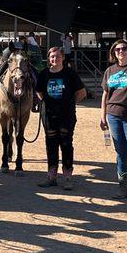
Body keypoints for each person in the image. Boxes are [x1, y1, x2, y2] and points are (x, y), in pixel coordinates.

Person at [36, 47, 86, 190]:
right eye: (52, 57)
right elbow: (39, 92)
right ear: (49, 58)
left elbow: (81, 92)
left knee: (66, 144)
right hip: (49, 116)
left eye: (57, 56)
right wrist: (48, 103)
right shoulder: (44, 74)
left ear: (63, 58)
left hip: (67, 116)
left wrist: (69, 103)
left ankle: (68, 178)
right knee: (51, 145)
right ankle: (51, 177)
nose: (54, 59)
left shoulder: (70, 74)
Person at [100, 39, 127, 199]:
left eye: (124, 48)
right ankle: (123, 188)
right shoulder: (110, 71)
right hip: (113, 116)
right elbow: (105, 94)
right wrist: (102, 116)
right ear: (114, 52)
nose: (121, 51)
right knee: (121, 153)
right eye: (117, 49)